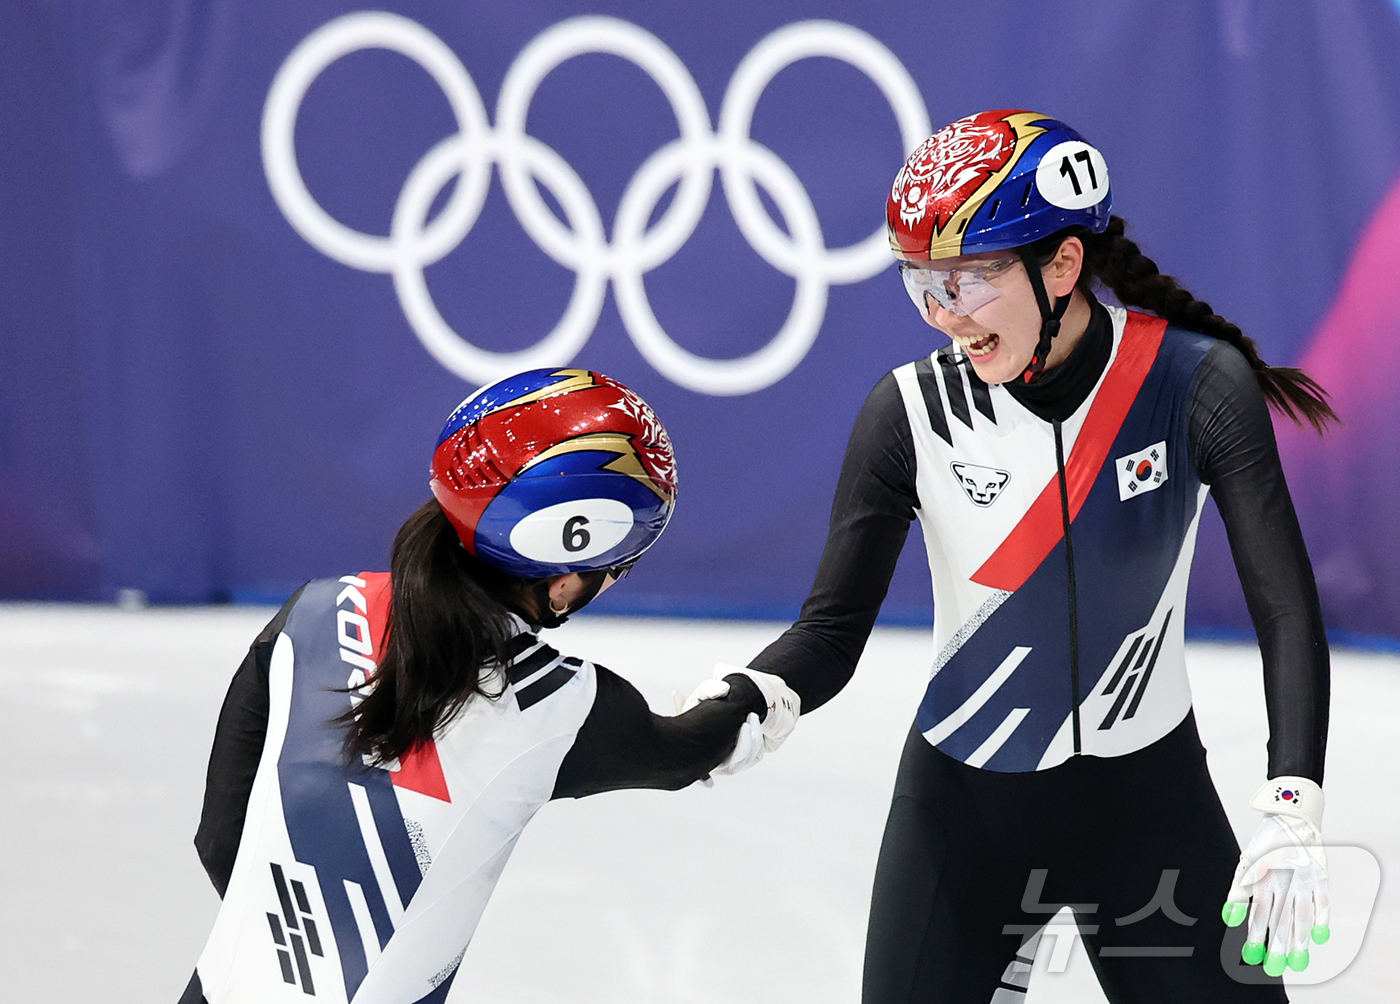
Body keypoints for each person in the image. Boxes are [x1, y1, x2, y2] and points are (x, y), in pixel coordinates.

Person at [688, 109, 1335, 1002]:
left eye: (968, 281)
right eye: (922, 283)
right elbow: (831, 632)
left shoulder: (1192, 383)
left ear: (1062, 266)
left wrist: (1294, 800)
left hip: (1147, 811)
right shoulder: (910, 414)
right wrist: (746, 699)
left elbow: (1286, 609)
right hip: (966, 820)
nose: (943, 314)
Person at [178, 367, 799, 1004]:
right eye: (621, 567)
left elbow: (221, 840)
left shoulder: (312, 609)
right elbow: (686, 751)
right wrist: (751, 694)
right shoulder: (559, 704)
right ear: (563, 580)